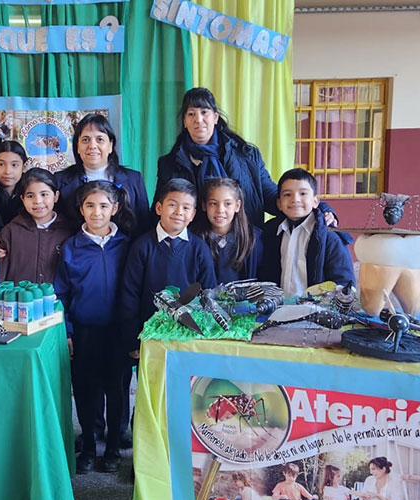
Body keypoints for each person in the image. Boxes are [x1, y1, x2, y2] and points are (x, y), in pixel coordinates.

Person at [156, 87, 336, 230]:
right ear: (185, 122)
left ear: (215, 117)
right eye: (191, 114)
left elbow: (272, 196)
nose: (198, 119)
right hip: (197, 248)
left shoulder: (246, 154)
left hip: (246, 244)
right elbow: (161, 209)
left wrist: (320, 208)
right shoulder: (169, 164)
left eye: (204, 112)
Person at [54, 181, 133, 475]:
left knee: (117, 391)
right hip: (85, 331)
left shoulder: (127, 245)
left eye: (103, 206)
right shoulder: (71, 247)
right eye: (90, 205)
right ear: (80, 209)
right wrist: (68, 330)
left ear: (115, 208)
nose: (96, 212)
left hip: (118, 332)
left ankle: (113, 448)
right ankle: (88, 447)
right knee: (86, 392)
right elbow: (60, 293)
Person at [119, 178, 216, 357]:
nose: (179, 212)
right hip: (150, 335)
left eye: (186, 208)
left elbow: (209, 293)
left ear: (193, 214)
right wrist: (133, 338)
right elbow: (129, 294)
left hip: (190, 337)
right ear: (159, 208)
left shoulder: (199, 248)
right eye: (172, 205)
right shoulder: (142, 246)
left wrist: (207, 334)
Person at [258, 168, 354, 296]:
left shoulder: (330, 237)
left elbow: (345, 285)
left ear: (315, 201)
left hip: (317, 311)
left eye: (303, 194)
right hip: (277, 309)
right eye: (287, 194)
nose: (295, 199)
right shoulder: (269, 232)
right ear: (279, 204)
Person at [54, 113, 151, 234]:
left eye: (100, 139)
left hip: (127, 251)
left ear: (110, 146)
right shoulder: (59, 180)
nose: (92, 146)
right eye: (85, 140)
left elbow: (145, 226)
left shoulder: (134, 179)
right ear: (77, 147)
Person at [0, 168, 74, 284]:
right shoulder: (10, 231)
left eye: (44, 194)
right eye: (30, 196)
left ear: (56, 196)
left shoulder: (68, 232)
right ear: (22, 199)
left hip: (56, 301)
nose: (38, 201)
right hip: (18, 299)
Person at [192, 177, 263, 283]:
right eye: (213, 203)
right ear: (204, 205)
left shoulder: (254, 238)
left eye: (228, 204)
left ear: (237, 206)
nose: (220, 210)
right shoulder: (194, 239)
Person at [0, 140, 27, 224]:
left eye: (14, 165)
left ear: (24, 167)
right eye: (1, 164)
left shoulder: (29, 192)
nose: (7, 171)